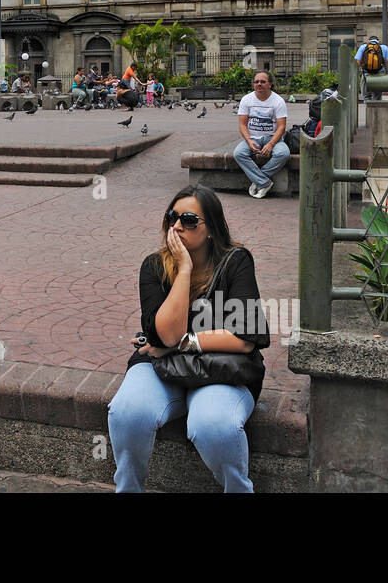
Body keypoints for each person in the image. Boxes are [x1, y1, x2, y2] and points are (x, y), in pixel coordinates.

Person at [107, 185, 269, 492]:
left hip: (219, 368)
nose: (178, 226)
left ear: (211, 229)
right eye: (173, 217)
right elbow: (166, 333)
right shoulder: (155, 266)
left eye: (190, 220)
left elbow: (244, 338)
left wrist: (184, 343)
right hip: (160, 367)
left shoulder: (235, 262)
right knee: (127, 412)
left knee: (213, 426)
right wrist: (183, 270)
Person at [233, 71, 289, 199]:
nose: (259, 84)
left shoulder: (278, 101)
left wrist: (271, 144)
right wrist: (248, 140)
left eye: (263, 82)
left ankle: (258, 180)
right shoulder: (246, 99)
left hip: (273, 138)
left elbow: (281, 126)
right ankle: (264, 182)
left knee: (283, 154)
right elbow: (242, 125)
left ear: (270, 84)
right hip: (252, 138)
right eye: (256, 82)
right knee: (239, 153)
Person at [354, 36, 388, 101]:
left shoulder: (363, 47)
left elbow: (358, 61)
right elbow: (387, 62)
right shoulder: (384, 48)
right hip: (379, 74)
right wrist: (380, 65)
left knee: (366, 95)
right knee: (377, 96)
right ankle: (377, 109)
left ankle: (367, 108)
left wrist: (365, 66)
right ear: (378, 40)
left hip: (366, 73)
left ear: (369, 40)